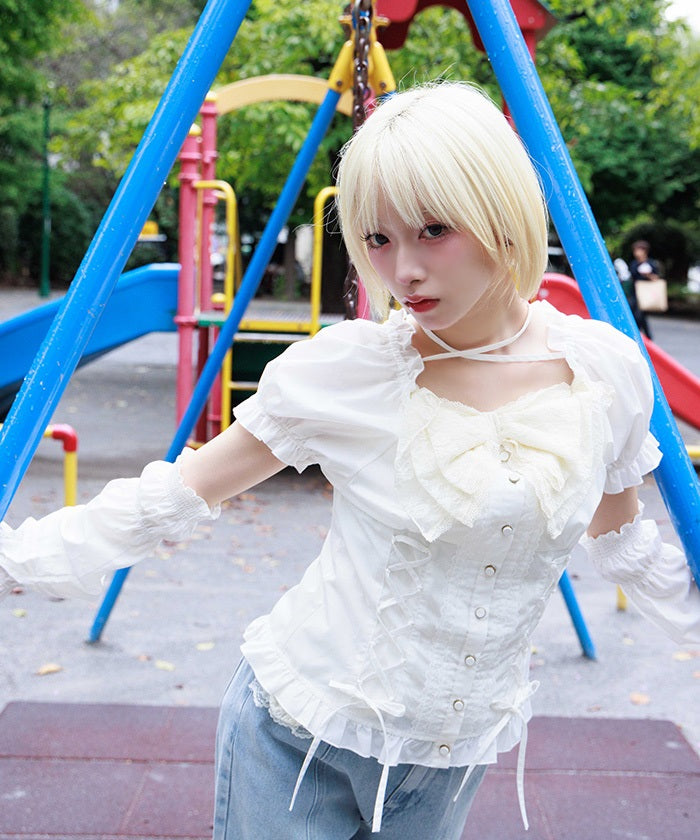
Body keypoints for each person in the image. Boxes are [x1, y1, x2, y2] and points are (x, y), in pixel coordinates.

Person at [1, 83, 699, 839]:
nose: (404, 271)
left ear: (501, 213)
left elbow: (623, 540)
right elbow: (182, 491)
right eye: (378, 240)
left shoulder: (602, 372)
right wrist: (21, 558)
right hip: (296, 736)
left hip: (451, 758)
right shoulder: (353, 372)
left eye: (433, 230)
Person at [627, 239, 662, 339]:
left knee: (640, 316)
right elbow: (632, 276)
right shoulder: (634, 264)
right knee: (636, 315)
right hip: (635, 292)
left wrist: (648, 275)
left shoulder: (651, 263)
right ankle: (645, 336)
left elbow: (656, 277)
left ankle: (640, 336)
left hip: (646, 293)